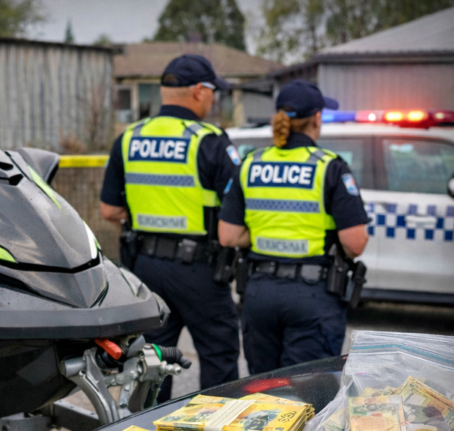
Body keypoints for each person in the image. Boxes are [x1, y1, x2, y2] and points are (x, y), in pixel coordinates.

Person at [99, 54, 241, 400]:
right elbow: (236, 209)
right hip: (201, 271)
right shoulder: (210, 140)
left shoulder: (130, 137)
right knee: (218, 357)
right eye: (213, 92)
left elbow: (108, 210)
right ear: (198, 91)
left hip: (146, 269)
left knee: (152, 362)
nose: (213, 99)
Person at [218, 79, 369, 374]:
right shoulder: (330, 166)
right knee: (308, 394)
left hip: (259, 296)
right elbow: (355, 242)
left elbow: (228, 235)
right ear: (316, 118)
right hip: (313, 297)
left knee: (264, 394)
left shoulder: (251, 163)